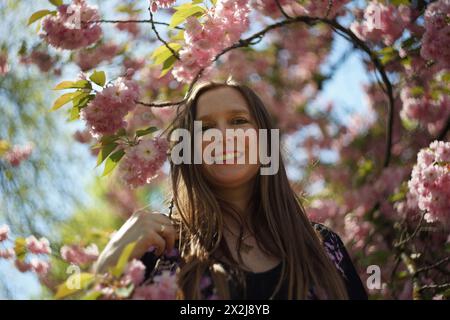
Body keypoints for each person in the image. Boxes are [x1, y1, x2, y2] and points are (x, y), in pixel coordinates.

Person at [94, 79, 368, 300]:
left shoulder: (324, 249)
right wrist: (107, 267)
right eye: (206, 127)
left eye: (238, 121)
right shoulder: (161, 255)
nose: (223, 136)